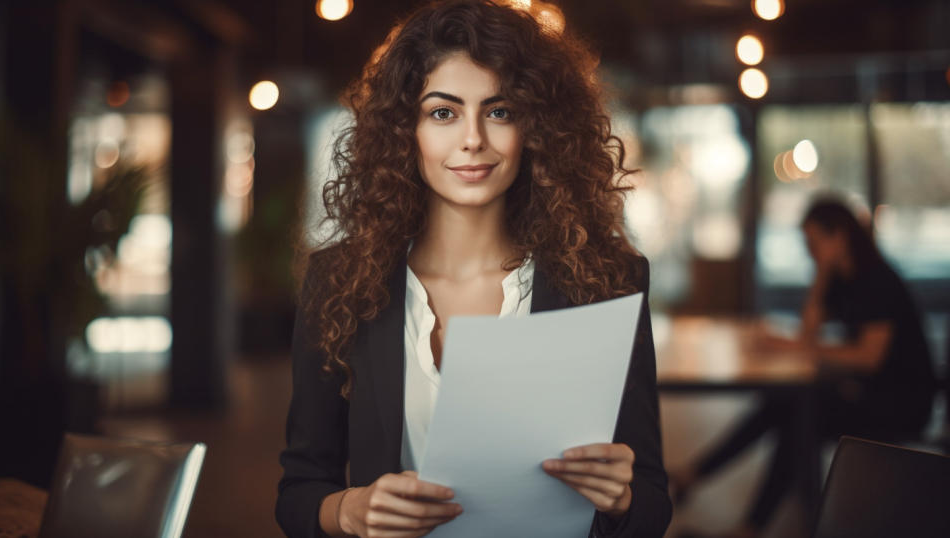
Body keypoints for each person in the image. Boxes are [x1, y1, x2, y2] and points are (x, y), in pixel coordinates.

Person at [275, 1, 672, 537]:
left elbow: (652, 505)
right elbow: (300, 492)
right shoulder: (340, 284)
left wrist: (621, 499)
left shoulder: (606, 283)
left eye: (499, 111)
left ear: (536, 128)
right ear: (404, 130)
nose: (472, 139)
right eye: (443, 112)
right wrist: (350, 509)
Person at [672, 196, 936, 538]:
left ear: (839, 235)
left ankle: (746, 520)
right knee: (784, 404)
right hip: (869, 393)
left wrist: (802, 346)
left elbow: (869, 358)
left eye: (813, 242)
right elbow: (809, 328)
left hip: (903, 405)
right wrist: (823, 272)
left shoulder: (876, 279)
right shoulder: (844, 276)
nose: (809, 250)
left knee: (800, 413)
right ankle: (720, 498)